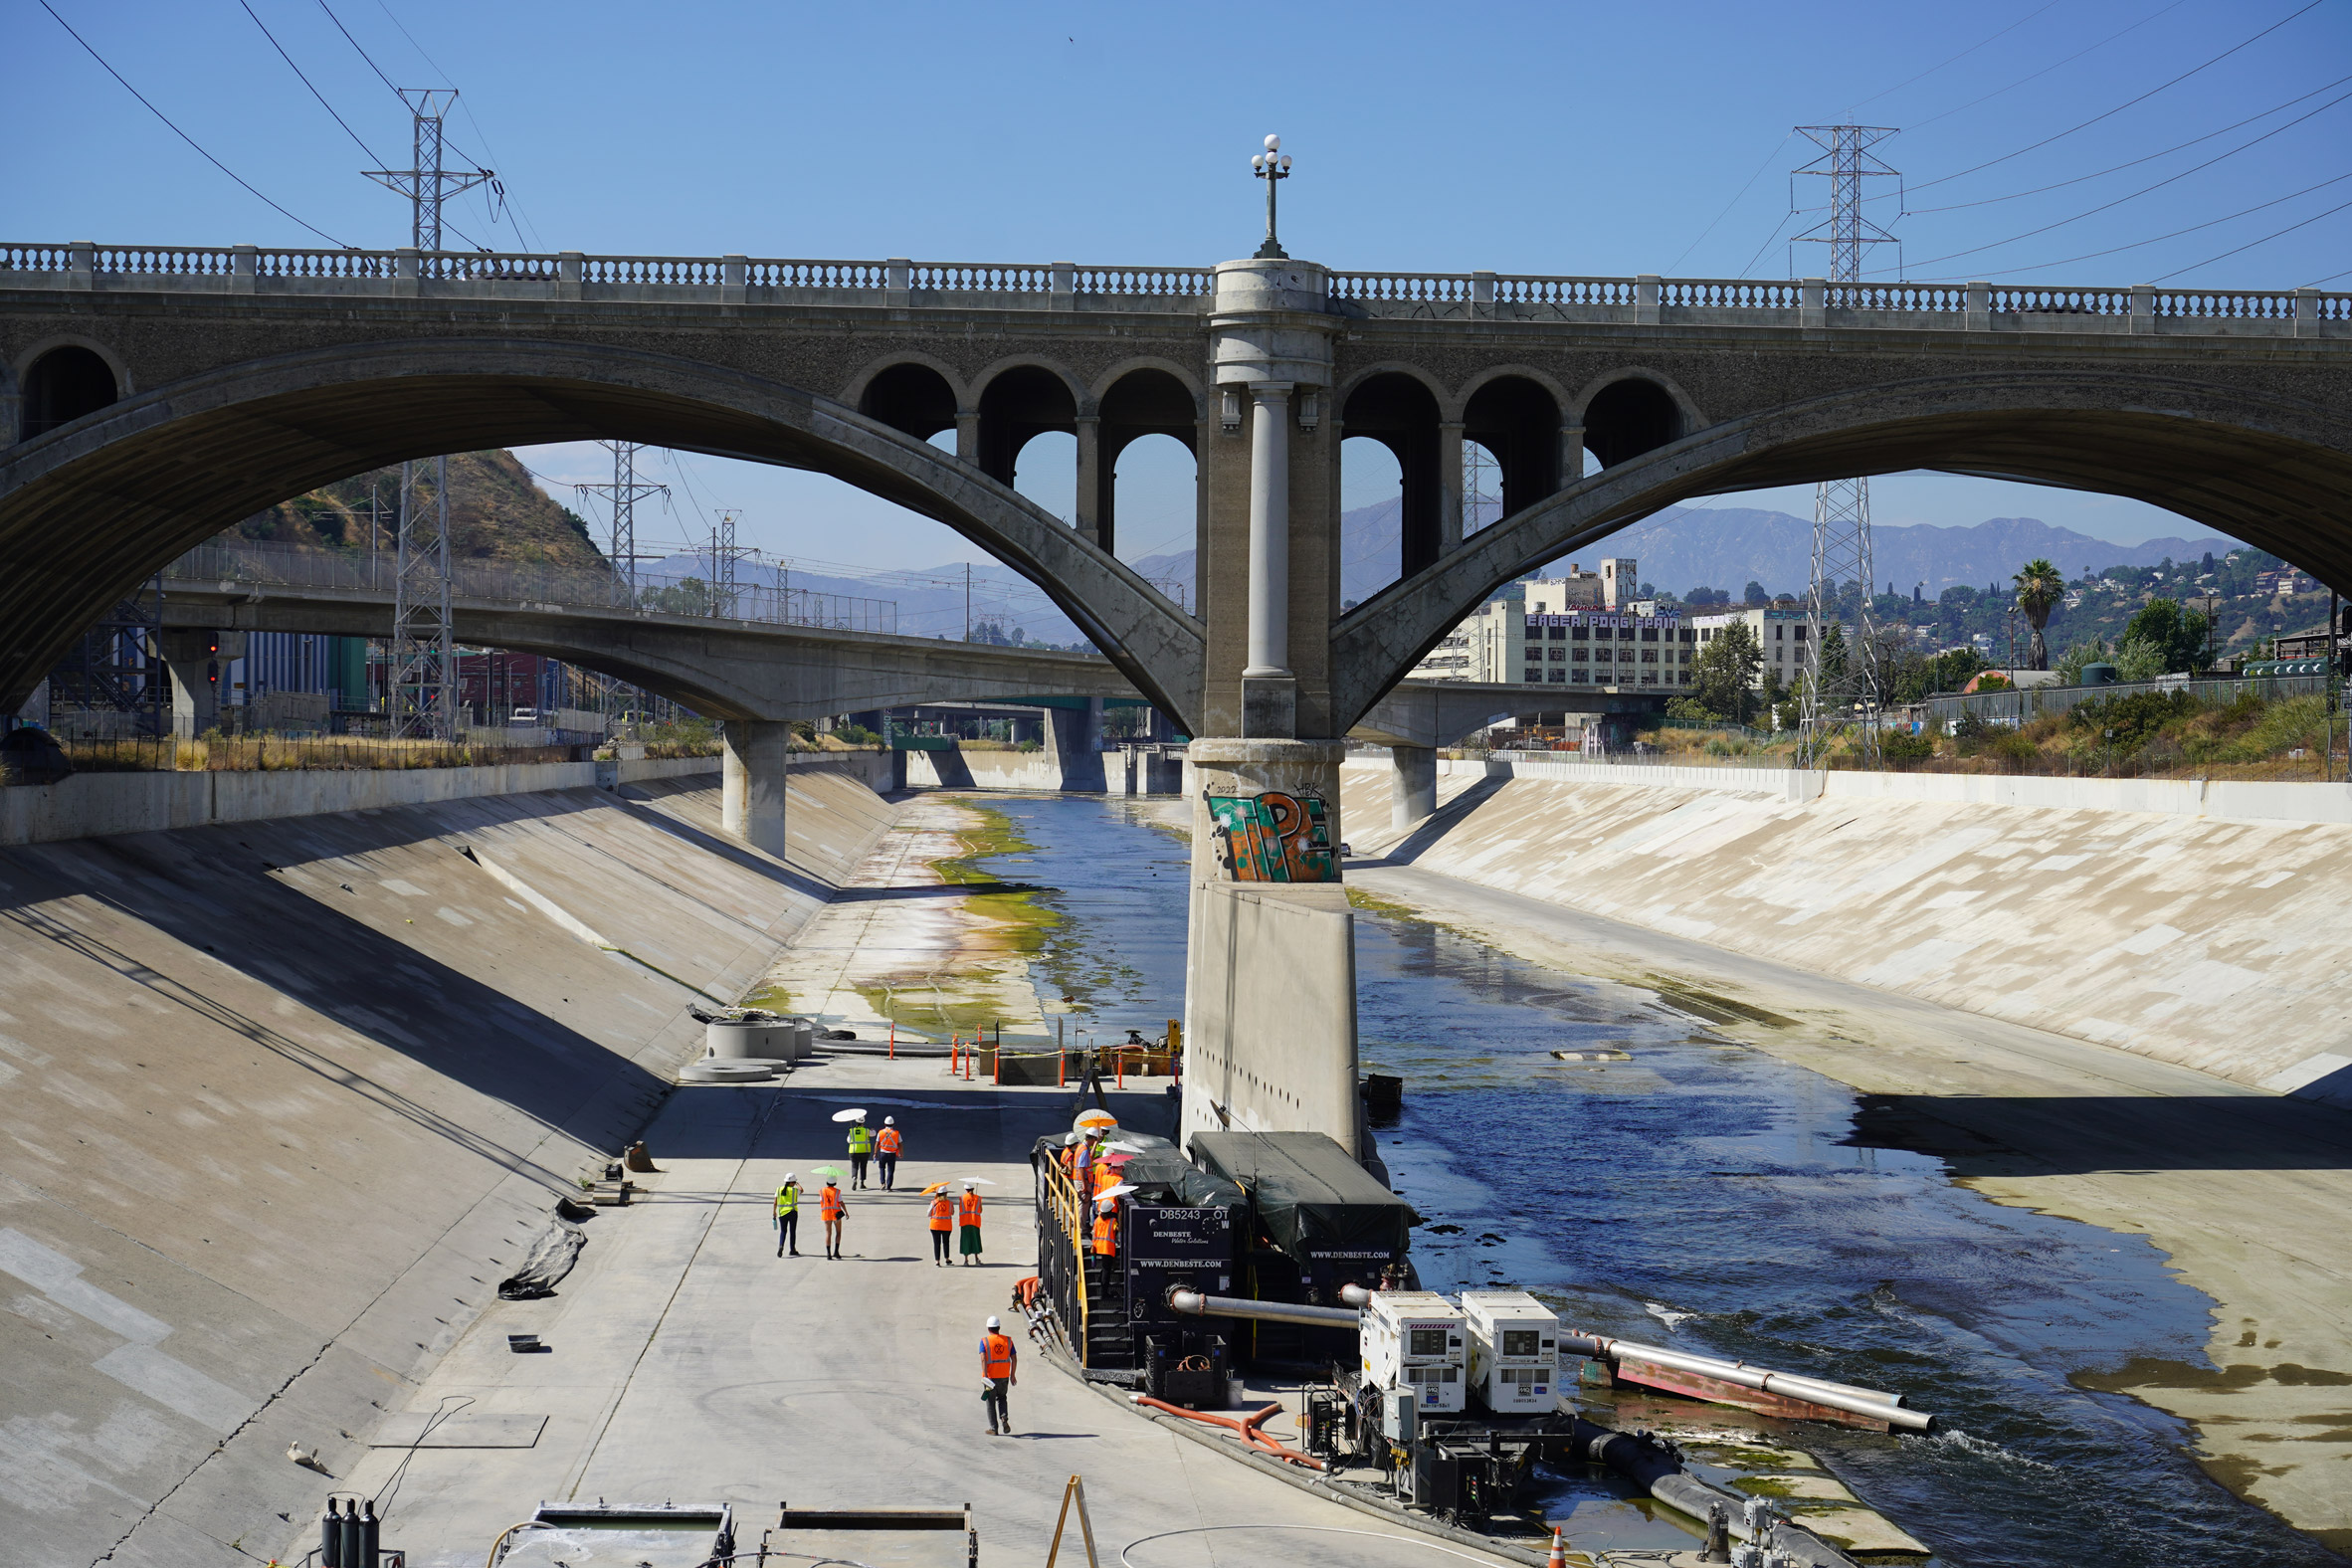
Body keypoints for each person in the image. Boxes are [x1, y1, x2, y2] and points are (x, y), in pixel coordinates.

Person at [979, 1313, 1017, 1436]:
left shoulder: (984, 1341)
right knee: (1002, 1398)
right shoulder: (1008, 1341)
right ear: (998, 1327)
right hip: (1004, 1376)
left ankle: (993, 1428)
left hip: (990, 1378)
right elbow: (1014, 1358)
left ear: (988, 1328)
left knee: (990, 1402)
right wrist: (1012, 1375)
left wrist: (985, 1375)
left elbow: (983, 1359)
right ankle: (1004, 1417)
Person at [927, 1186, 956, 1266]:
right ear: (946, 1193)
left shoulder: (933, 1203)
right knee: (946, 1242)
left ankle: (937, 1261)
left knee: (937, 1243)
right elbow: (952, 1212)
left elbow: (928, 1213)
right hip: (946, 1226)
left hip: (935, 1226)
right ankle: (947, 1259)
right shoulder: (950, 1203)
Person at [774, 1172, 801, 1258]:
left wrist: (774, 1212)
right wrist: (798, 1184)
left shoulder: (778, 1189)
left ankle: (781, 1245)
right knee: (792, 1231)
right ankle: (792, 1249)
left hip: (782, 1213)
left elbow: (775, 1202)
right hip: (792, 1212)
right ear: (792, 1182)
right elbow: (802, 1190)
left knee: (783, 1231)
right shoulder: (795, 1190)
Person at [957, 1181, 984, 1266]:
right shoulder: (978, 1198)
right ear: (973, 1189)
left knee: (966, 1241)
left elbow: (960, 1209)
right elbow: (980, 1210)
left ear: (966, 1189)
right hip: (975, 1222)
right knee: (975, 1240)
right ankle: (976, 1259)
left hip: (965, 1222)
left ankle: (966, 1261)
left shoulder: (962, 1198)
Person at [820, 1178, 847, 1260]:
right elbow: (841, 1202)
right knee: (838, 1232)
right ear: (835, 1183)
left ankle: (828, 1253)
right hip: (836, 1214)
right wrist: (846, 1212)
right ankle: (836, 1251)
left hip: (826, 1214)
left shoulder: (822, 1191)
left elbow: (821, 1201)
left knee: (828, 1233)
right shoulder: (837, 1191)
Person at [846, 1116, 876, 1190]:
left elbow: (848, 1140)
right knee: (863, 1166)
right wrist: (873, 1130)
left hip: (853, 1151)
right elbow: (873, 1134)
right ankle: (862, 1183)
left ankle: (854, 1178)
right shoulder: (866, 1130)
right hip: (864, 1151)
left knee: (854, 1166)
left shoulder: (852, 1131)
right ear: (863, 1122)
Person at [876, 1116, 901, 1191]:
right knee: (890, 1170)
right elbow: (900, 1144)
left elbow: (877, 1144)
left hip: (882, 1153)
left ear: (884, 1124)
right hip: (892, 1154)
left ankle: (882, 1183)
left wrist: (875, 1153)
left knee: (882, 1168)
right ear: (893, 1124)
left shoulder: (880, 1132)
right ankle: (889, 1187)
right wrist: (901, 1153)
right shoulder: (896, 1133)